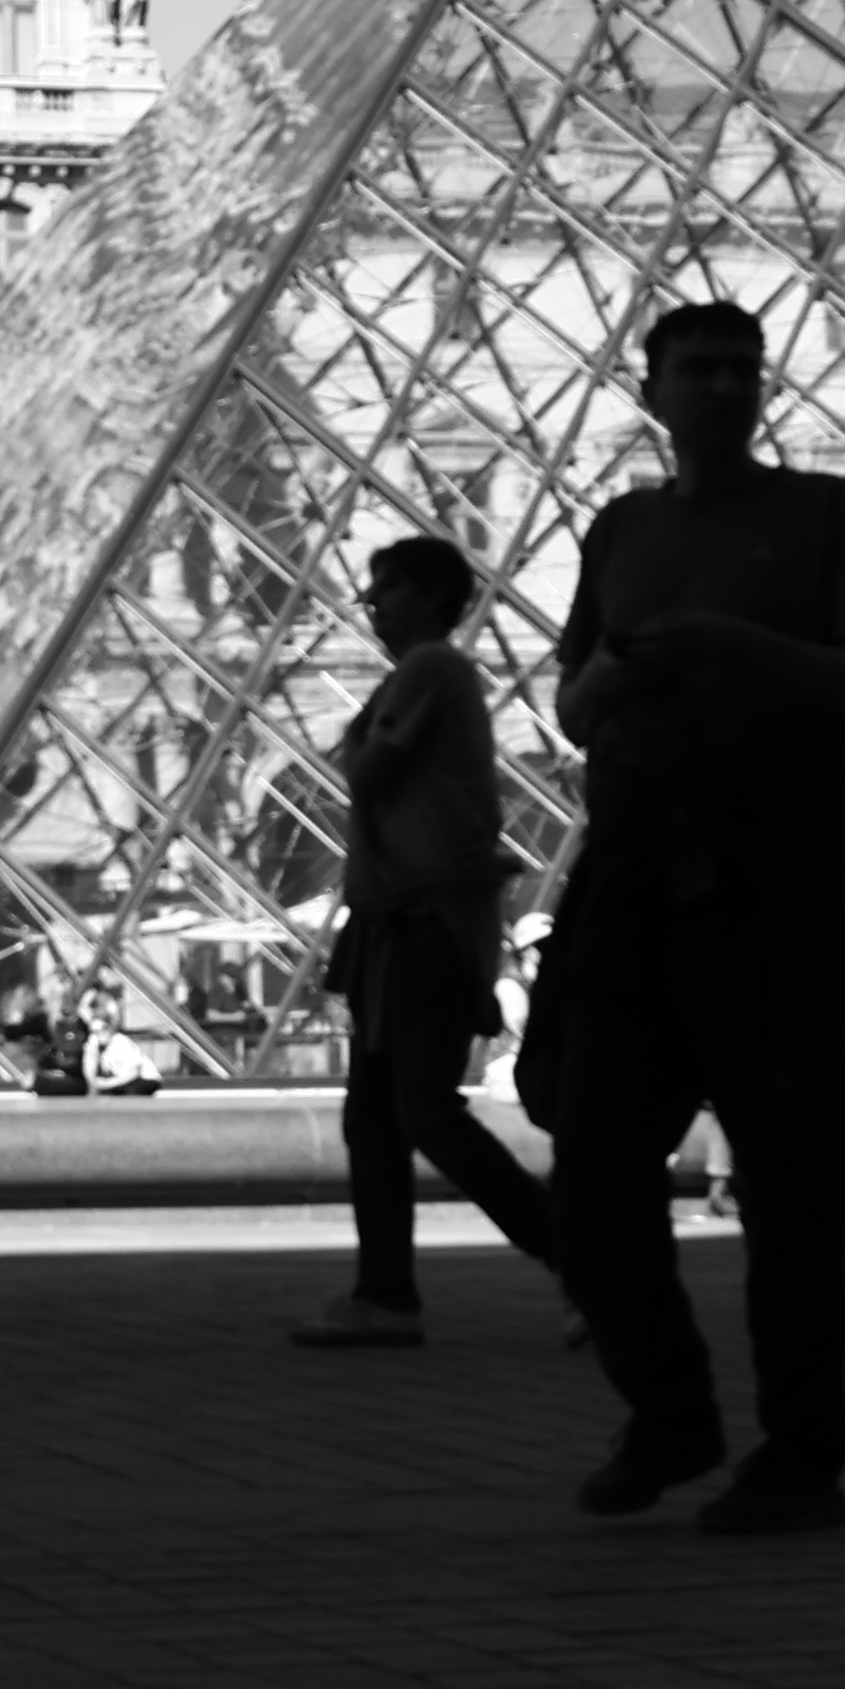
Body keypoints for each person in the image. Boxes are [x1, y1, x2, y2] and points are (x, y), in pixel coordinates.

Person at [527, 300, 845, 1536]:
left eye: (742, 367)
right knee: (593, 1165)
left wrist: (734, 645)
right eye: (696, 367)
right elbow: (571, 705)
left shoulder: (821, 512)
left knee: (790, 1184)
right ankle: (670, 1409)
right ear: (648, 389)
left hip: (780, 878)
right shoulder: (620, 527)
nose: (723, 385)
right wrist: (621, 672)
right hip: (640, 875)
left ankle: (802, 1449)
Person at [293, 533, 562, 1350]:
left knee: (421, 1112)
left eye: (388, 586)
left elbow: (369, 773)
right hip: (401, 923)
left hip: (424, 923)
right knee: (377, 1118)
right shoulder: (426, 673)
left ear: (436, 595)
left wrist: (356, 742)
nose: (371, 602)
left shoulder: (432, 669)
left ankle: (587, 1264)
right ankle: (385, 1293)